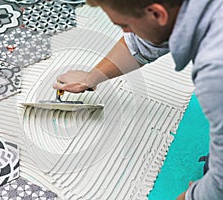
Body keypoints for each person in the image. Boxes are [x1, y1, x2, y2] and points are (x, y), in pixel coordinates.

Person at [53, 0, 223, 199]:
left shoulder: (215, 71)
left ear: (157, 14)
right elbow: (145, 42)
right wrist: (90, 78)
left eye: (125, 25)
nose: (127, 31)